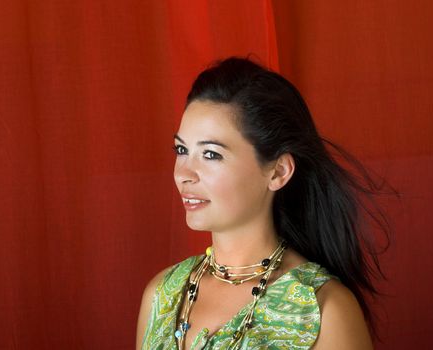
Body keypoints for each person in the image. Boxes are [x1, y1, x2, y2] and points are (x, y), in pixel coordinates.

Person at [136, 57, 391, 349]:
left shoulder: (324, 310)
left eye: (210, 155)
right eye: (181, 149)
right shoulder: (161, 295)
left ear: (278, 171)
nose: (183, 174)